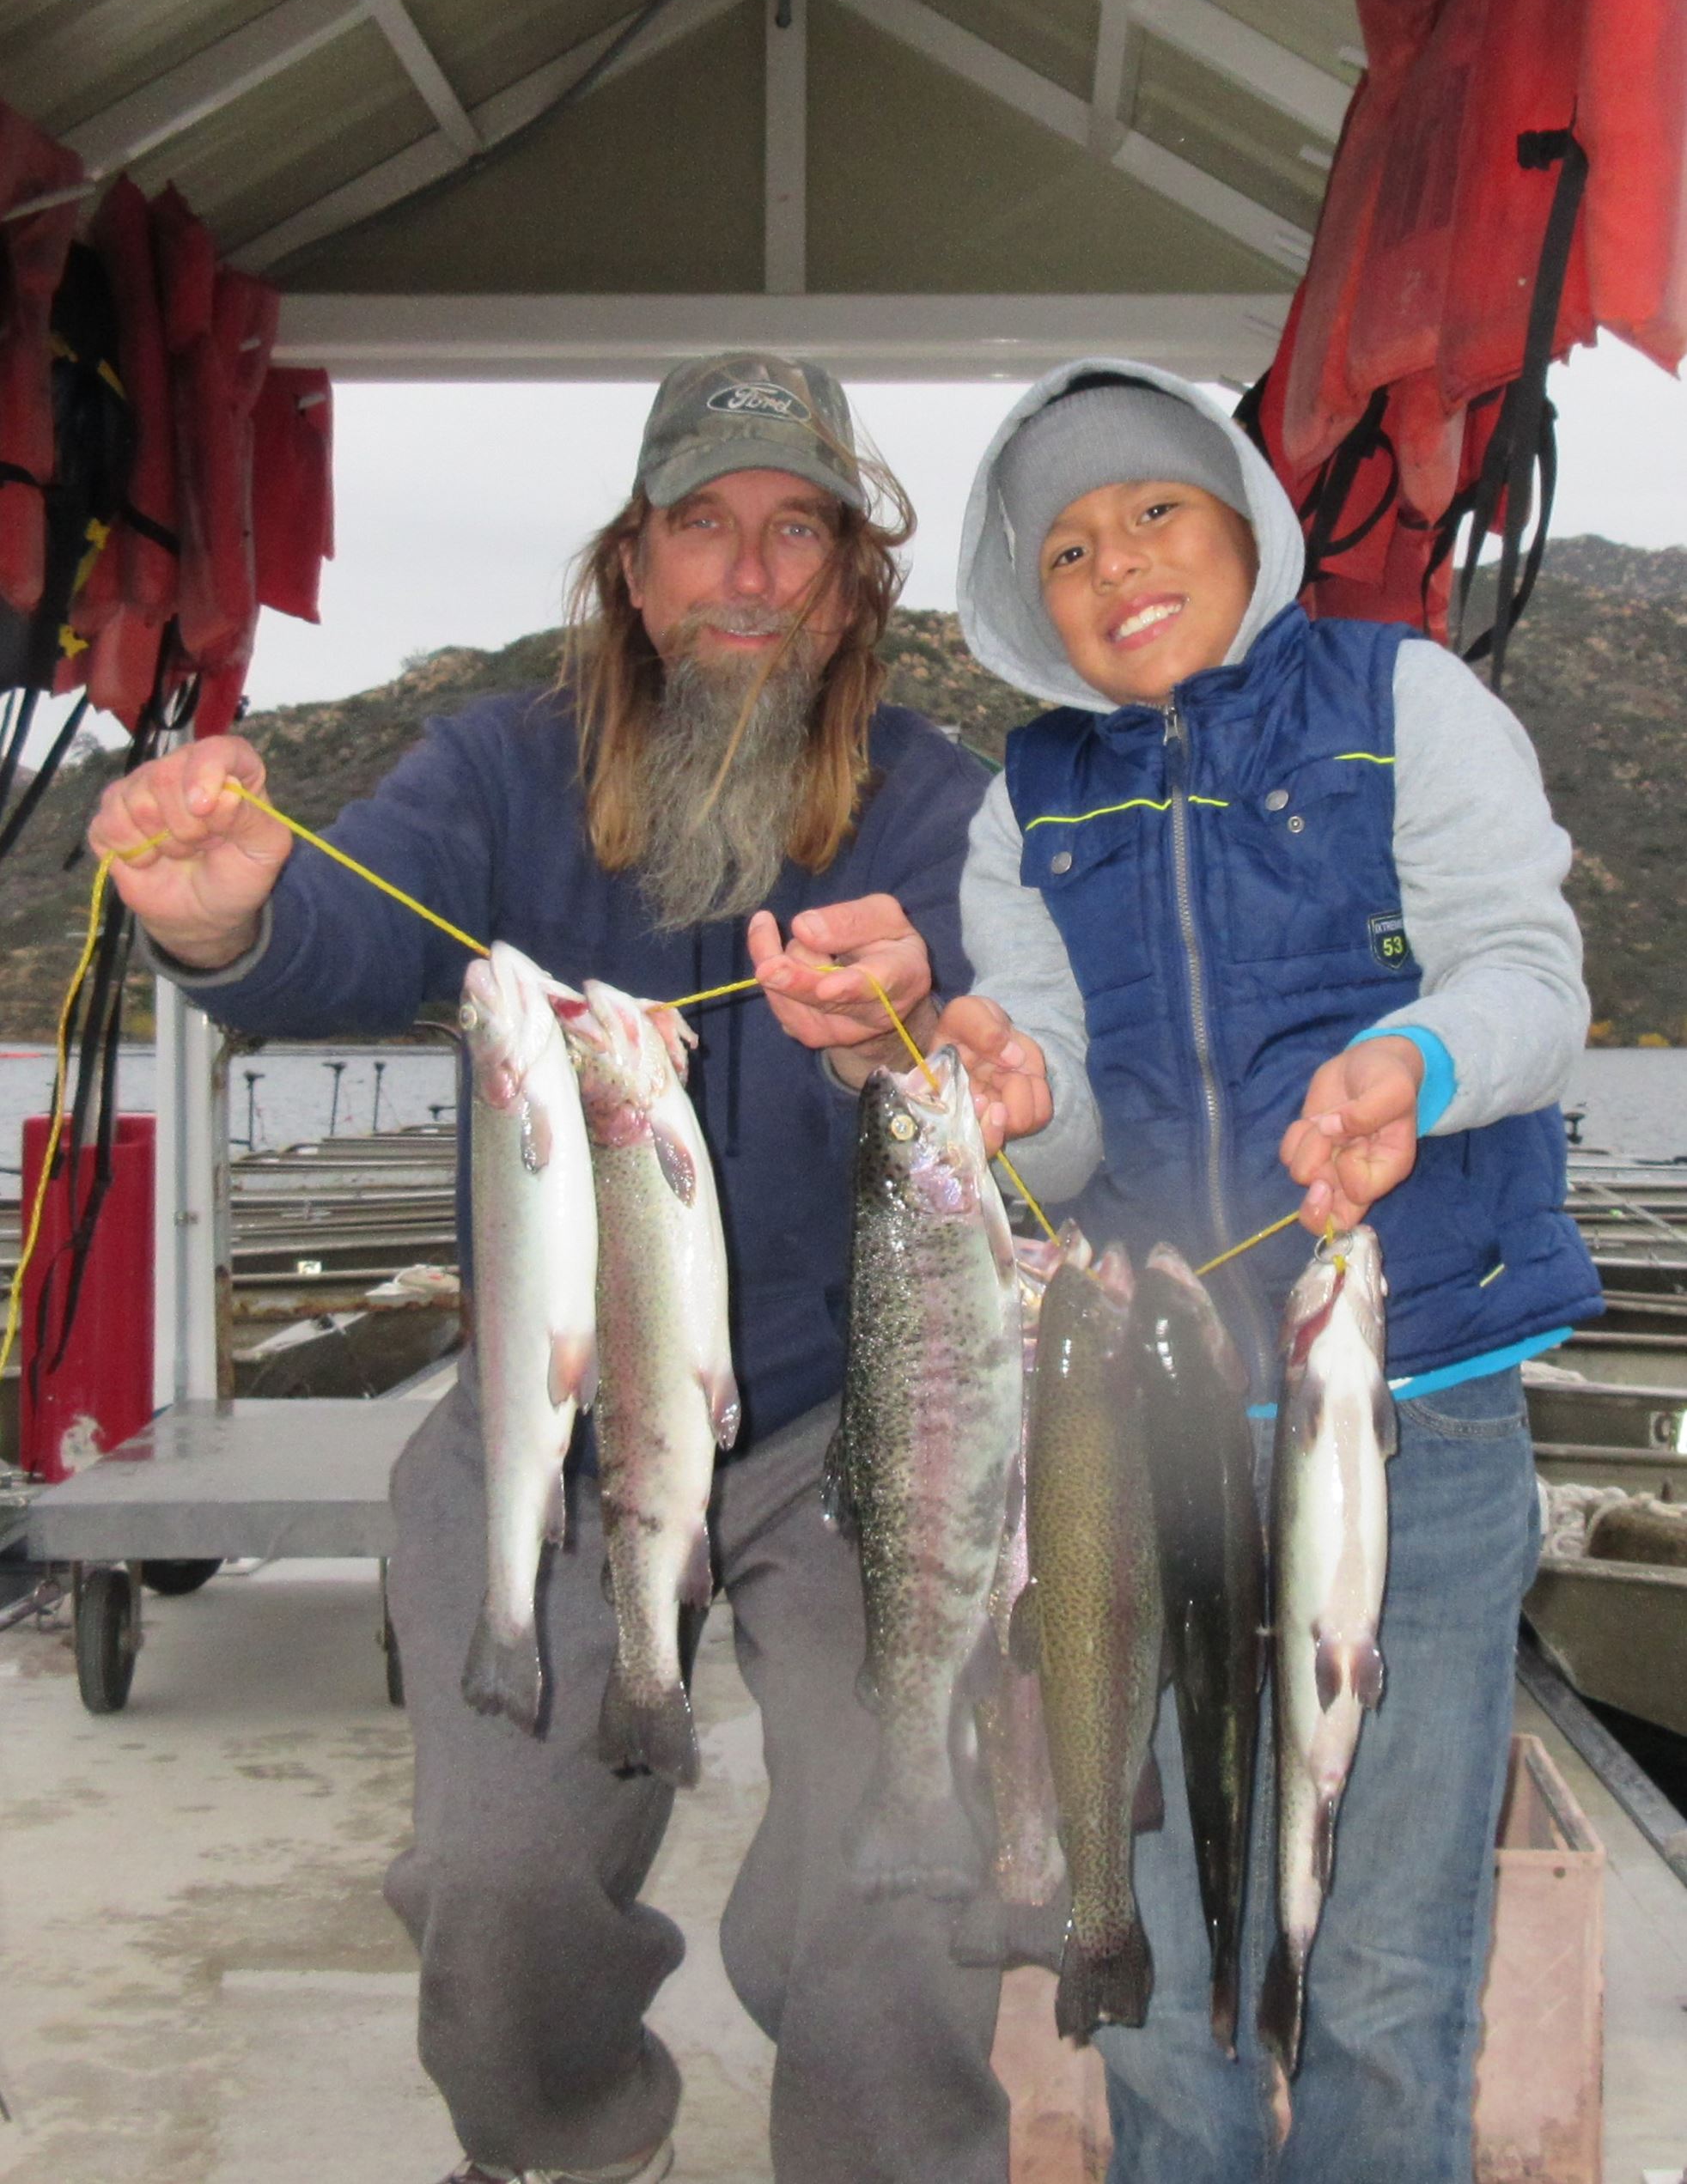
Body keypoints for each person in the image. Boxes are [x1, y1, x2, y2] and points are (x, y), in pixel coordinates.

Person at [90, 353, 1009, 2184]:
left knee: (897, 1897)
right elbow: (346, 935)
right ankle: (570, 2147)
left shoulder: (938, 796)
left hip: (852, 1422)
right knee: (493, 1883)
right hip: (547, 1414)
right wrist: (234, 917)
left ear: (848, 579)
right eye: (703, 527)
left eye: (796, 531)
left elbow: (1007, 1040)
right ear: (635, 562)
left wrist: (926, 1031)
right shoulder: (496, 764)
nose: (747, 574)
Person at [928, 359, 1603, 2183]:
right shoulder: (1023, 806)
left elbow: (1530, 982)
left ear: (1243, 517)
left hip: (1417, 1418)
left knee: (1384, 1965)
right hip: (1134, 1448)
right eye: (1064, 544)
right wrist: (1014, 1101)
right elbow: (1058, 1135)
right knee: (1160, 1953)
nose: (1117, 561)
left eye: (1154, 508)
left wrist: (1414, 1070)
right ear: (1026, 598)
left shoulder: (1406, 701)